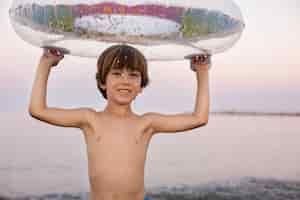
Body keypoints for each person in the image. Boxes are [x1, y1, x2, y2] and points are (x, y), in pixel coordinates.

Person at [28, 44, 210, 200]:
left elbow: (199, 118)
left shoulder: (146, 124)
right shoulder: (90, 119)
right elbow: (38, 110)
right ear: (102, 82)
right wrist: (46, 62)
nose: (125, 81)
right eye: (116, 73)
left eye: (133, 75)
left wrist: (202, 72)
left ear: (141, 85)